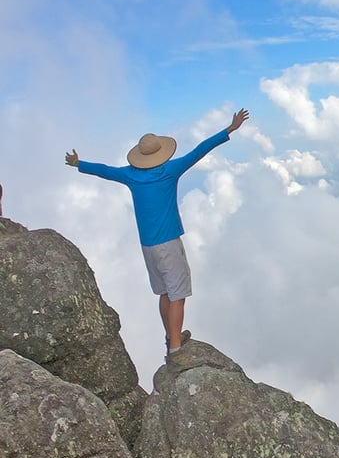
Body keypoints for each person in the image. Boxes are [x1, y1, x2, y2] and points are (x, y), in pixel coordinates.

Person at [65, 108, 250, 359]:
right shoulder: (169, 171)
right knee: (179, 294)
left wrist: (78, 163)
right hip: (168, 244)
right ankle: (176, 348)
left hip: (148, 247)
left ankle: (170, 337)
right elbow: (199, 150)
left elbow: (104, 170)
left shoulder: (130, 175)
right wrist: (229, 129)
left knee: (165, 292)